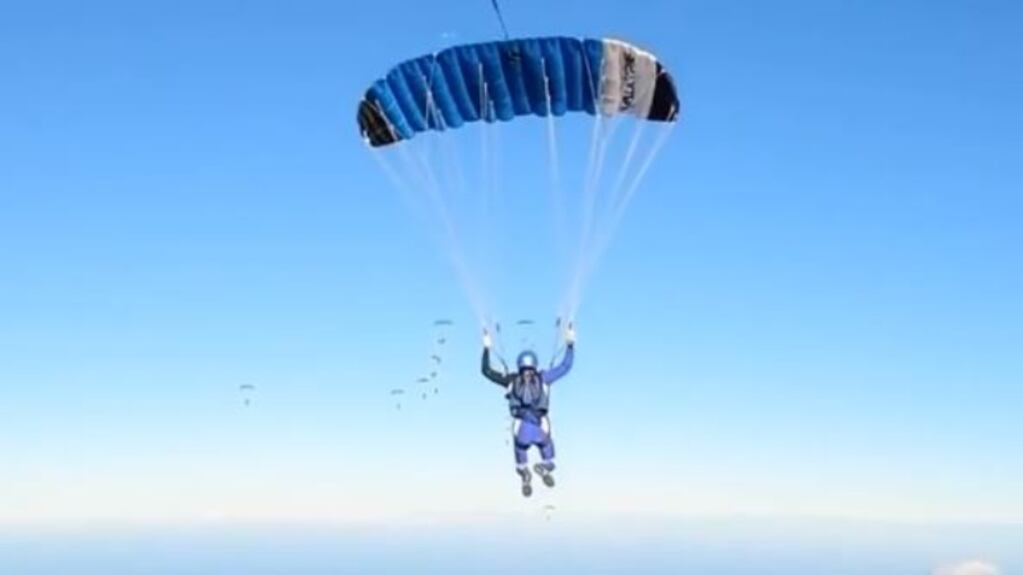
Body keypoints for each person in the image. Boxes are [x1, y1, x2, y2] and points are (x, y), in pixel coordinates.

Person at [481, 324, 575, 497]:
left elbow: (486, 371)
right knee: (548, 448)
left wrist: (487, 348)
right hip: (540, 428)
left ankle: (524, 473)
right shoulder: (543, 378)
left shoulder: (511, 380)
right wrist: (570, 343)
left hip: (521, 430)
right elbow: (565, 366)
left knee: (520, 450)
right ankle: (545, 466)